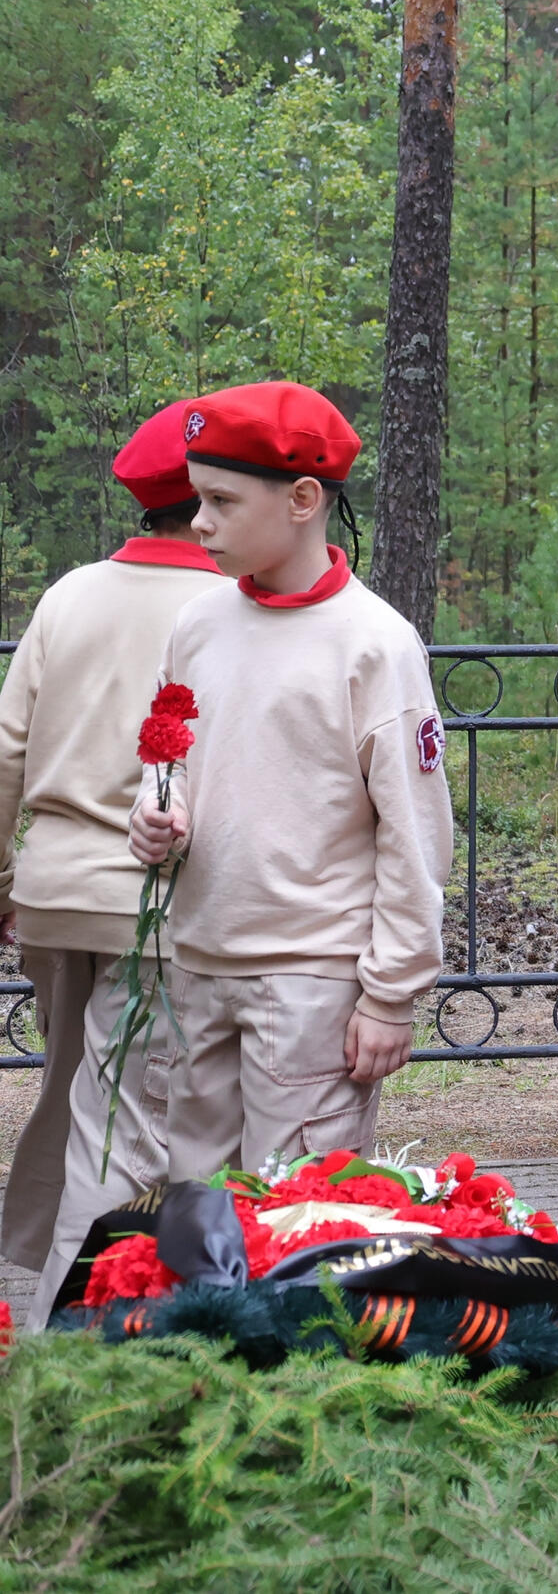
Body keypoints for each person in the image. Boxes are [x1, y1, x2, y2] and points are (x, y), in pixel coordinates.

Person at [127, 382, 454, 1186]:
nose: (198, 522)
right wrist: (156, 809)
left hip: (313, 985)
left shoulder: (374, 644)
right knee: (197, 1209)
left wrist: (390, 994)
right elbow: (167, 746)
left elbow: (415, 834)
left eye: (220, 501)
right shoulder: (197, 624)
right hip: (196, 965)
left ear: (304, 499)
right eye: (197, 499)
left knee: (298, 1216)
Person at [0, 405, 228, 1314]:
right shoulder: (226, 608)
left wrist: (4, 884)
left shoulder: (69, 594)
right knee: (127, 1130)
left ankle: (64, 1287)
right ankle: (87, 1322)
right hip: (160, 906)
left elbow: (7, 751)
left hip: (55, 898)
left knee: (77, 1101)